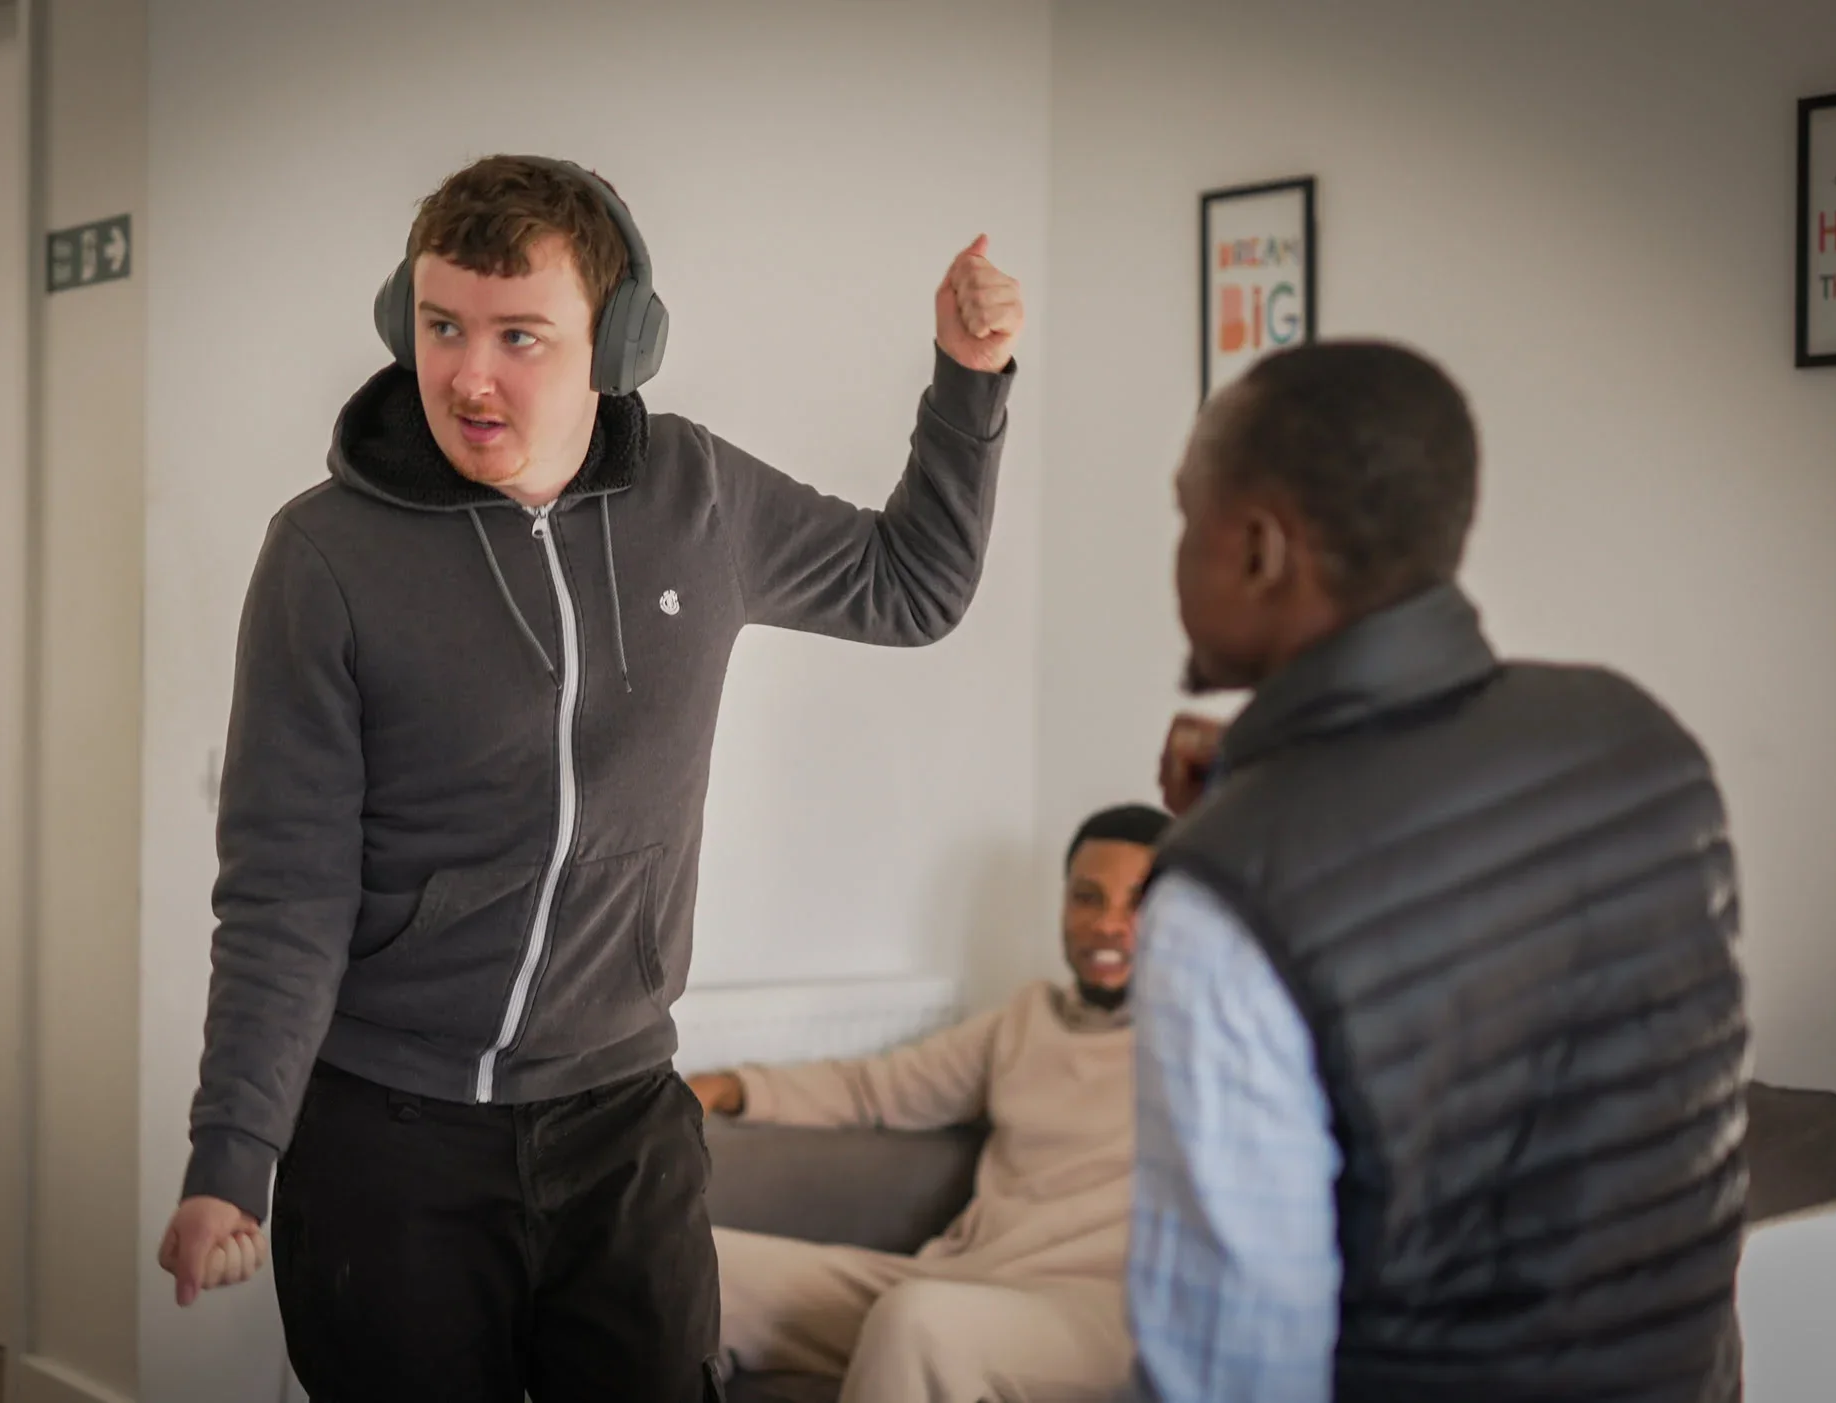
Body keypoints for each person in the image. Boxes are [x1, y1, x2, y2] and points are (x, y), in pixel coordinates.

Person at [154, 154, 1024, 1402]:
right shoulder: (325, 554)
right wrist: (232, 1154)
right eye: (443, 327)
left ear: (617, 343)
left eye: (521, 336)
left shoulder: (700, 496)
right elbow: (284, 889)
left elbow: (915, 584)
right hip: (387, 1135)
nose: (468, 373)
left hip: (622, 1123)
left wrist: (970, 376)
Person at [1129, 340, 1749, 1403]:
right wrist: (1249, 800)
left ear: (1262, 549)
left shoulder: (1222, 905)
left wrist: (1237, 844)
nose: (1177, 551)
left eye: (1188, 516)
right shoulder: (1642, 743)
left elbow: (1234, 1374)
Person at [693, 802, 1171, 1403]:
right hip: (967, 1281)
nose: (1108, 924)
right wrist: (730, 1086)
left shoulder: (1199, 1041)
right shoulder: (1024, 1020)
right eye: (1088, 897)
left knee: (919, 1320)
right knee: (699, 1266)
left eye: (1138, 904)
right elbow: (876, 1088)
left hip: (1101, 1315)